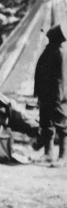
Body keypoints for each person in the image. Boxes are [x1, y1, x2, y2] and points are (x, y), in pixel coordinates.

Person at [33, 22, 67, 166]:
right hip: (45, 93)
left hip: (55, 94)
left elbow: (60, 77)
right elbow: (40, 72)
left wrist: (59, 97)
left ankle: (63, 155)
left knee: (61, 122)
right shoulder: (49, 50)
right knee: (46, 121)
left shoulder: (59, 52)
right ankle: (48, 153)